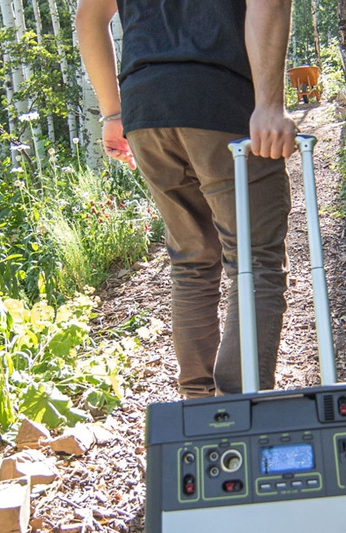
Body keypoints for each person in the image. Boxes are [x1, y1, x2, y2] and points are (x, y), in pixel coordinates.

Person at [76, 0, 297, 398]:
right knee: (255, 258)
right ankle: (237, 409)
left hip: (147, 107)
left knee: (192, 260)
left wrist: (113, 112)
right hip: (220, 98)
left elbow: (89, 17)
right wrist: (268, 105)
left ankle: (197, 410)